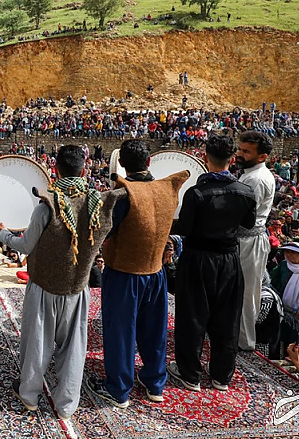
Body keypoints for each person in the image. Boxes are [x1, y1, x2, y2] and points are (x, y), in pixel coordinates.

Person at [0, 145, 126, 421]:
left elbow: (26, 245)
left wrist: (3, 234)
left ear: (55, 170)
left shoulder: (49, 206)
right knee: (73, 348)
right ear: (84, 169)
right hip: (77, 288)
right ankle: (66, 405)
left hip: (44, 286)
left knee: (37, 344)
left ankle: (29, 395)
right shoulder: (100, 205)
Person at [88, 139, 188, 408]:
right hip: (156, 271)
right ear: (148, 162)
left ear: (120, 164)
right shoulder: (168, 190)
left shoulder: (124, 194)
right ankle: (155, 383)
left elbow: (102, 231)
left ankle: (118, 389)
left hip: (124, 273)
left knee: (120, 332)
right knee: (154, 331)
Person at [167, 135, 257, 392]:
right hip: (229, 260)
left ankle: (191, 373)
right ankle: (221, 375)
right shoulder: (245, 192)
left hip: (198, 258)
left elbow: (184, 228)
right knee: (227, 317)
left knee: (192, 316)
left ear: (206, 158)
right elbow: (249, 224)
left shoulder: (197, 193)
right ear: (232, 159)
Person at [236, 131, 276, 350]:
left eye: (246, 151)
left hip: (250, 242)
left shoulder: (256, 179)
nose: (239, 154)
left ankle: (245, 344)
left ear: (262, 156)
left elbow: (244, 217)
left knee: (247, 294)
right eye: (240, 149)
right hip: (245, 241)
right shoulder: (249, 174)